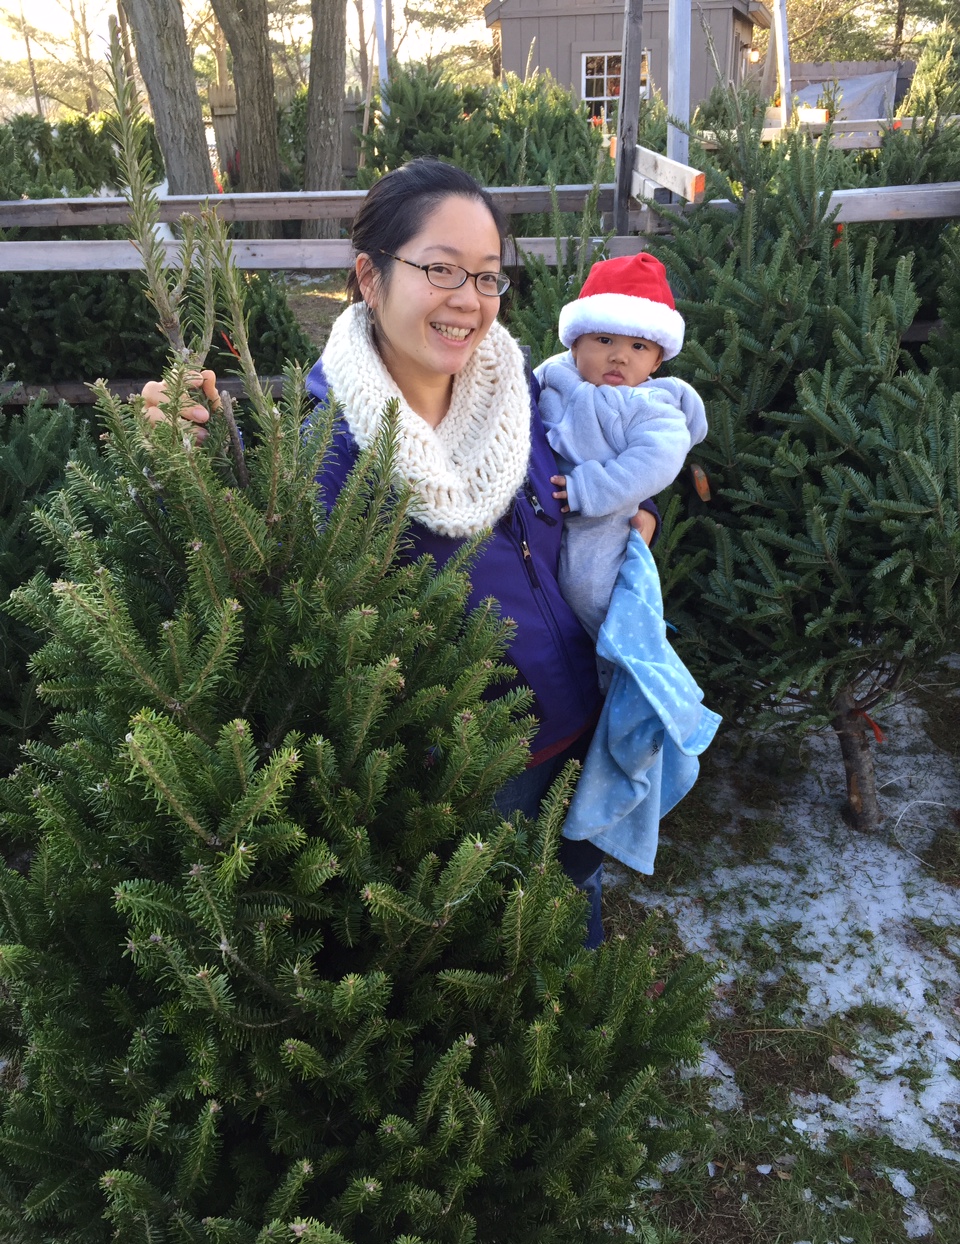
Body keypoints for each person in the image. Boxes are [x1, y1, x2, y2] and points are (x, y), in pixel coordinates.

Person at [142, 158, 658, 948]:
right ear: (370, 277)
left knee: (573, 907)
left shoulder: (521, 390)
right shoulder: (334, 452)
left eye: (486, 276)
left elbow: (590, 476)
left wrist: (638, 514)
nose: (469, 300)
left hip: (581, 724)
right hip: (472, 775)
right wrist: (188, 461)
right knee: (494, 954)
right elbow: (262, 583)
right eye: (440, 269)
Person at [534, 252, 708, 662]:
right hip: (544, 509)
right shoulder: (553, 376)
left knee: (588, 592)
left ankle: (622, 660)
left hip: (602, 518)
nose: (619, 356)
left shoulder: (653, 406)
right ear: (575, 342)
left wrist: (591, 487)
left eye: (638, 346)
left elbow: (654, 463)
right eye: (604, 340)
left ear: (657, 359)